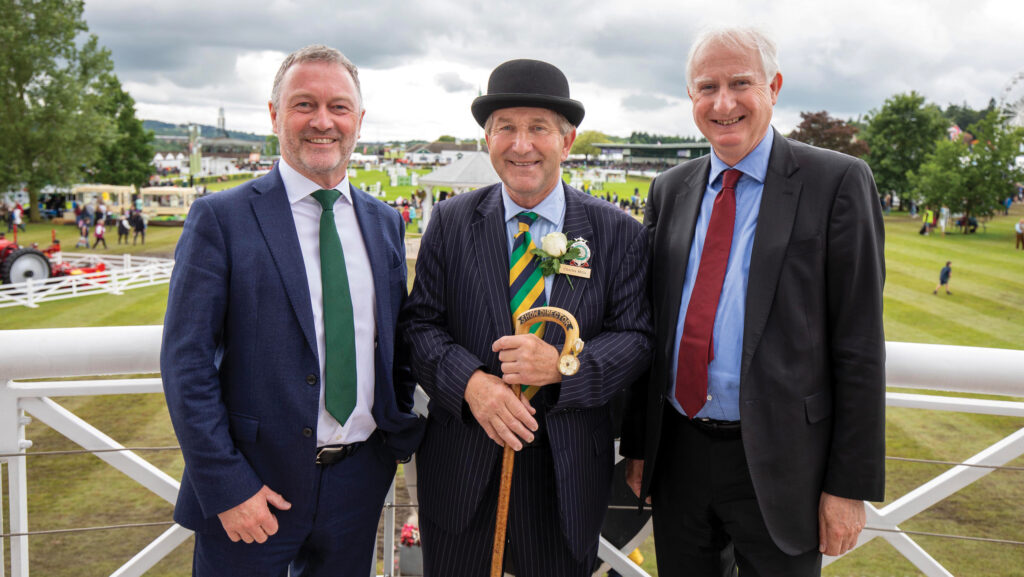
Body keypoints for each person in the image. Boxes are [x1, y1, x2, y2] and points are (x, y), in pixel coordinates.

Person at [620, 27, 886, 577]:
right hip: (680, 455)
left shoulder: (837, 181)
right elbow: (653, 328)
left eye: (741, 83)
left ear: (774, 87)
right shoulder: (670, 188)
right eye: (706, 87)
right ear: (691, 98)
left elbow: (859, 343)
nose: (723, 103)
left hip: (783, 462)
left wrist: (847, 487)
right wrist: (642, 446)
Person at [160, 44, 424, 577]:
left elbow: (394, 340)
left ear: (360, 120)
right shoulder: (221, 218)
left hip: (358, 483)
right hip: (253, 489)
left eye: (339, 107)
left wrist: (390, 443)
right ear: (275, 115)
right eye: (304, 105)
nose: (322, 121)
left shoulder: (383, 221)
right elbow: (186, 364)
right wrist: (228, 485)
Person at [401, 59, 653, 576]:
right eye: (505, 128)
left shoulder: (616, 232)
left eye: (538, 128)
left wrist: (565, 366)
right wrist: (472, 384)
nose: (521, 145)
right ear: (487, 139)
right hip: (464, 466)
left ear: (568, 141)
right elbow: (420, 327)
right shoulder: (450, 222)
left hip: (565, 473)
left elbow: (636, 338)